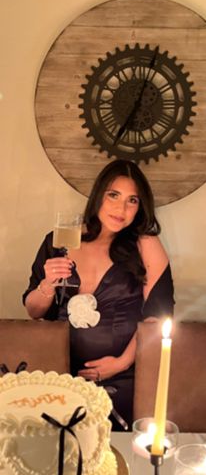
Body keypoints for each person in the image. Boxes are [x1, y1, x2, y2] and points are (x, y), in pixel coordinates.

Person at [23, 160, 174, 429]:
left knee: (104, 444)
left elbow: (157, 319)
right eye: (113, 195)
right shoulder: (60, 240)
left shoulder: (145, 245)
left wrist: (120, 363)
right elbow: (33, 311)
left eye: (132, 200)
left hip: (120, 374)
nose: (121, 209)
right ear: (98, 195)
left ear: (140, 207)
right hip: (58, 370)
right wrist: (48, 283)